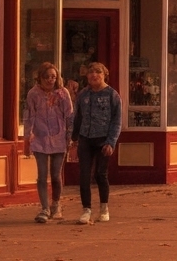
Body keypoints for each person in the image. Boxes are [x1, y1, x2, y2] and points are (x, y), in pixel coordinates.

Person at [71, 62, 120, 225]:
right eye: (91, 72)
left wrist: (111, 142)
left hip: (103, 139)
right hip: (85, 138)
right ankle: (86, 210)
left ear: (104, 74)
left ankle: (104, 207)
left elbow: (116, 121)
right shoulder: (83, 95)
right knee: (84, 175)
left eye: (98, 72)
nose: (94, 75)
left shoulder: (112, 95)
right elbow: (77, 117)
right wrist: (74, 138)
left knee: (100, 174)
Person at [24, 62, 73, 224]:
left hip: (59, 138)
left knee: (56, 175)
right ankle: (44, 208)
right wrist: (27, 137)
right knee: (42, 175)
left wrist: (69, 137)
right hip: (40, 138)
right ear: (40, 78)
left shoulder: (62, 93)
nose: (50, 80)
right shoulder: (33, 94)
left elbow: (69, 115)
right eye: (46, 77)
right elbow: (29, 115)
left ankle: (56, 204)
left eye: (53, 77)